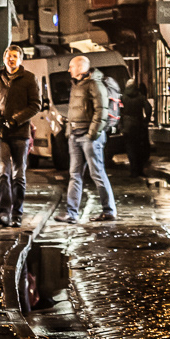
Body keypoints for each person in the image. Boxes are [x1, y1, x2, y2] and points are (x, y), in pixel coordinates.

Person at [54, 54, 117, 223]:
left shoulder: (95, 84)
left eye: (71, 66)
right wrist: (70, 132)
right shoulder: (76, 85)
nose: (69, 70)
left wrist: (92, 134)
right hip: (75, 136)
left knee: (97, 173)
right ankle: (71, 213)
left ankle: (109, 210)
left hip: (89, 138)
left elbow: (101, 111)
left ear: (81, 68)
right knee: (74, 174)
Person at [0, 45, 41, 227]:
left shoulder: (29, 78)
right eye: (9, 56)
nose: (11, 59)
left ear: (21, 59)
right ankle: (4, 212)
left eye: (15, 56)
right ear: (4, 58)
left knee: (18, 174)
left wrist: (16, 120)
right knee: (2, 173)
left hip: (20, 133)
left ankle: (17, 213)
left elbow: (35, 105)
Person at [120, 79, 152, 177]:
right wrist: (146, 120)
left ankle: (133, 170)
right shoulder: (141, 97)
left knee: (130, 149)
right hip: (138, 124)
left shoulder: (123, 98)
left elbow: (119, 111)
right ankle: (140, 170)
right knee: (139, 148)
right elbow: (148, 108)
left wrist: (121, 124)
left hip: (127, 126)